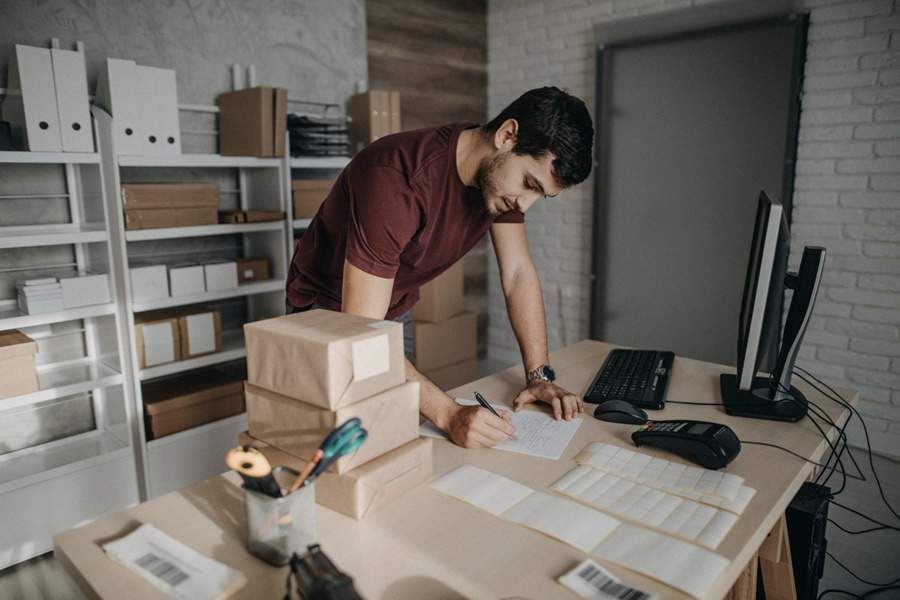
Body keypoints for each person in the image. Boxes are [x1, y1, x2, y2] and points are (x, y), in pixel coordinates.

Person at [287, 86, 594, 449]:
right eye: (529, 184)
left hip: (390, 311)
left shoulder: (495, 178)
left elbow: (517, 274)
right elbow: (360, 332)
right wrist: (449, 414)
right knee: (330, 449)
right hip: (325, 314)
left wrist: (539, 375)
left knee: (393, 437)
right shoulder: (397, 178)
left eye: (539, 195)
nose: (524, 206)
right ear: (507, 136)